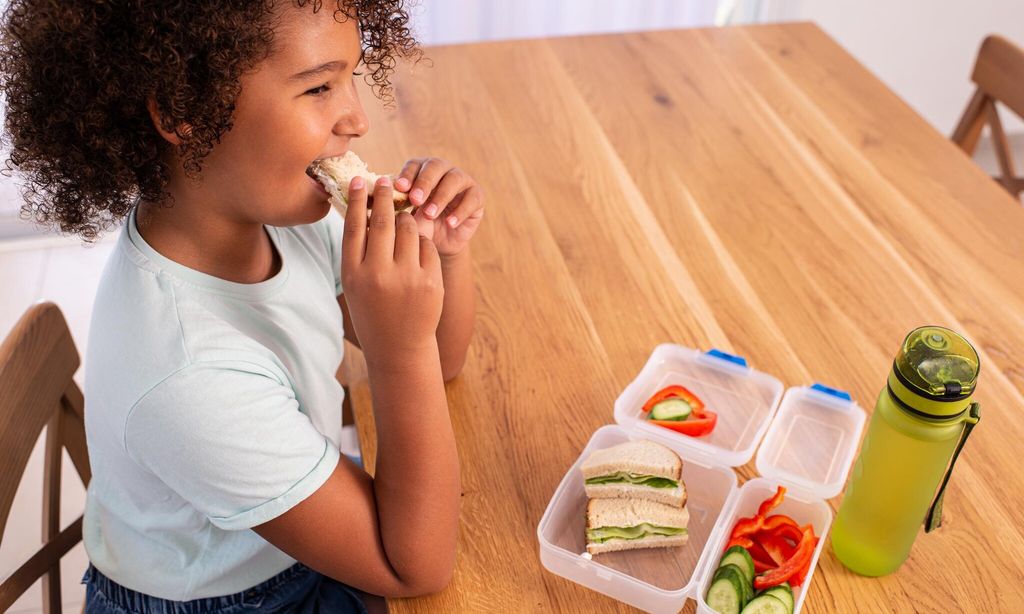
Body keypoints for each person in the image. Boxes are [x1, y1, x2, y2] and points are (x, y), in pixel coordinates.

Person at [0, 1, 483, 611]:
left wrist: (442, 254)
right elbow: (415, 567)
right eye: (317, 87)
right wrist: (398, 348)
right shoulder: (188, 375)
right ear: (184, 111)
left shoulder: (272, 213)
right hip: (234, 597)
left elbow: (440, 359)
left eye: (352, 77)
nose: (358, 119)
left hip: (287, 527)